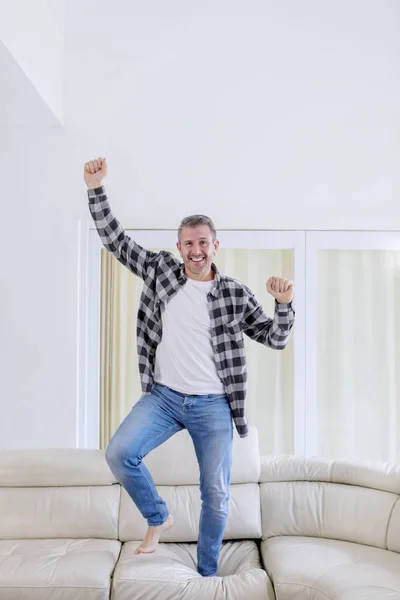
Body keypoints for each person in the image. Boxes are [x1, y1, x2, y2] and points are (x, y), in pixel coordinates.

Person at [84, 157, 295, 577]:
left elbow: (275, 338)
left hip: (215, 405)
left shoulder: (234, 294)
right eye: (188, 244)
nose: (196, 251)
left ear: (215, 246)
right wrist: (96, 188)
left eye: (203, 243)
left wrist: (284, 306)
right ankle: (159, 517)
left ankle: (205, 574)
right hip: (163, 397)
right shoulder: (161, 270)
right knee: (120, 452)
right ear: (178, 247)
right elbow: (115, 240)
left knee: (215, 495)